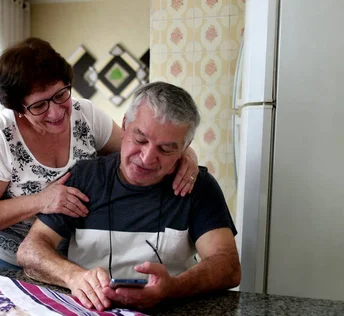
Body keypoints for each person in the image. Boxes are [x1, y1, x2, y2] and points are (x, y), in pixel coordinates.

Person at [0, 38, 201, 269]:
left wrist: (186, 153)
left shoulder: (85, 115)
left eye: (59, 95)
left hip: (60, 254)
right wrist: (41, 201)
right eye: (39, 105)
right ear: (18, 107)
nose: (55, 113)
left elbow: (138, 144)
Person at [16, 82, 241, 311]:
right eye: (140, 139)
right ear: (124, 125)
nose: (146, 158)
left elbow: (227, 265)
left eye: (165, 149)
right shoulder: (85, 177)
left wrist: (172, 287)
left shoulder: (199, 185)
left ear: (185, 147)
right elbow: (30, 250)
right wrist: (73, 277)